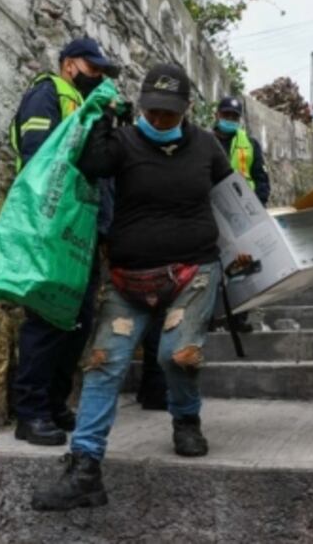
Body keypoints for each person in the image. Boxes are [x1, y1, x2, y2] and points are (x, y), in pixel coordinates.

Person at [31, 63, 233, 511]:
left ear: (188, 109)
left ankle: (186, 420)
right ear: (141, 106)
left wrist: (248, 254)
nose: (160, 120)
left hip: (192, 272)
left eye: (170, 113)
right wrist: (102, 116)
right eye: (153, 111)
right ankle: (85, 468)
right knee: (103, 363)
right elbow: (87, 163)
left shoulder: (206, 146)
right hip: (128, 278)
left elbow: (233, 203)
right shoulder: (121, 143)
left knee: (176, 354)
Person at [9, 37, 121, 446]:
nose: (101, 78)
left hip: (84, 230)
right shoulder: (46, 94)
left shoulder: (87, 106)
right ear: (70, 64)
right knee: (46, 319)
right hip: (51, 228)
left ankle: (55, 404)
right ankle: (31, 412)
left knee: (77, 323)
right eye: (94, 70)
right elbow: (40, 155)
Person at [135, 95, 271, 410]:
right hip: (197, 219)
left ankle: (238, 314)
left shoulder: (247, 143)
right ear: (215, 113)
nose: (229, 119)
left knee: (240, 268)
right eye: (225, 113)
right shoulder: (198, 141)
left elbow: (260, 178)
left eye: (233, 115)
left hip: (237, 216)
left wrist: (254, 205)